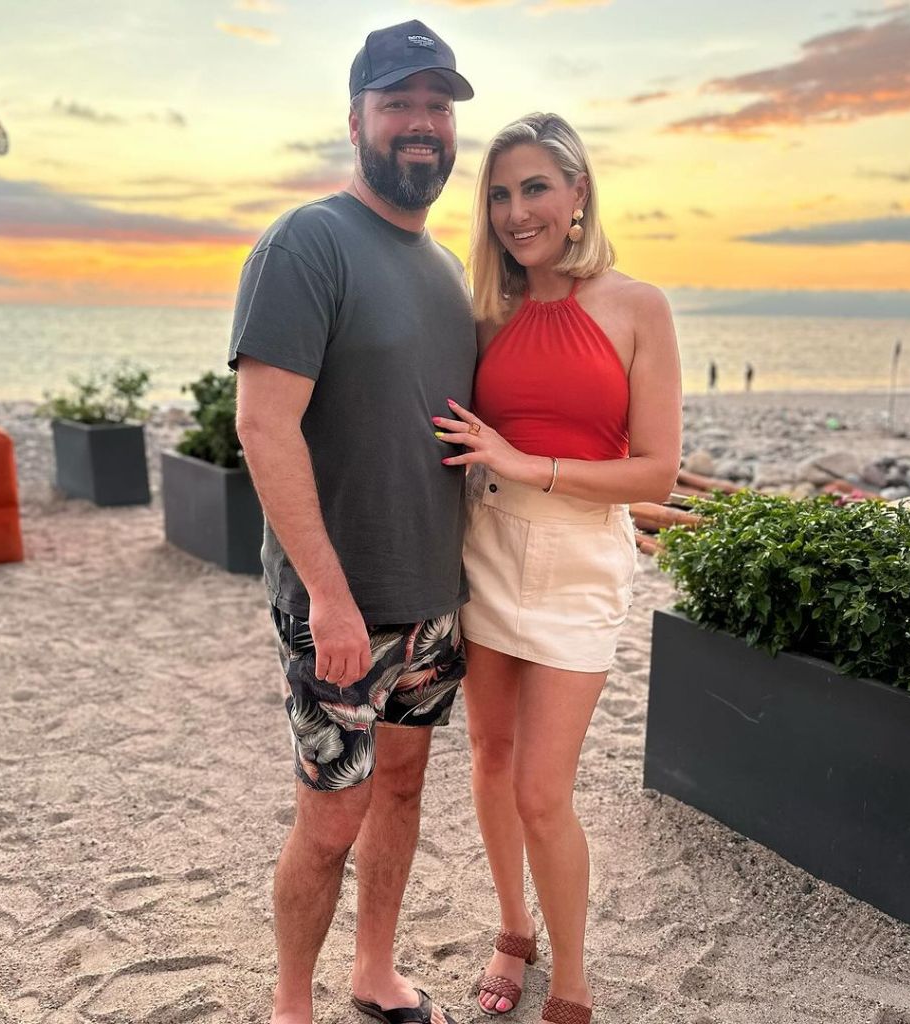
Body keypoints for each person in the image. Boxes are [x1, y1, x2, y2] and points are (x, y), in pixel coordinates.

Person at [228, 21, 476, 1024]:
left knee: (402, 797)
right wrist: (327, 595)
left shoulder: (448, 268)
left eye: (437, 105)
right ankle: (294, 1004)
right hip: (339, 605)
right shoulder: (307, 243)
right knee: (330, 820)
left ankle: (374, 972)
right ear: (357, 120)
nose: (420, 124)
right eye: (398, 103)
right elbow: (262, 423)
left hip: (432, 600)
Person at [431, 113, 682, 1024]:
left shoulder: (638, 306)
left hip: (580, 557)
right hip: (486, 544)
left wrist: (529, 462)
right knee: (492, 760)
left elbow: (655, 469)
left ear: (578, 194)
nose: (514, 211)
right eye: (498, 194)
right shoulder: (481, 308)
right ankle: (512, 929)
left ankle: (572, 977)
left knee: (544, 790)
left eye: (535, 187)